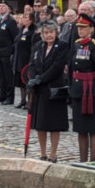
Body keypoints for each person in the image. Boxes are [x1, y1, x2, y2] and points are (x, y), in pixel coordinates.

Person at [67, 14, 95, 162]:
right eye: (79, 28)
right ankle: (82, 160)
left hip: (91, 90)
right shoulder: (76, 44)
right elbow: (71, 66)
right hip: (78, 90)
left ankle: (92, 161)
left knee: (92, 128)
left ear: (91, 29)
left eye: (84, 28)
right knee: (80, 128)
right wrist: (71, 87)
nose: (81, 31)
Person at [26, 21, 69, 162]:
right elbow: (32, 64)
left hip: (54, 88)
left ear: (56, 33)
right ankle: (43, 152)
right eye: (46, 32)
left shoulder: (62, 46)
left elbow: (57, 67)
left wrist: (41, 79)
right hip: (39, 90)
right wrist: (33, 79)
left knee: (54, 124)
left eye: (51, 32)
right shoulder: (38, 46)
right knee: (40, 124)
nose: (49, 35)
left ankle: (53, 153)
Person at [0, 2, 19, 105]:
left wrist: (11, 51)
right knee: (0, 76)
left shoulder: (10, 21)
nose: (1, 8)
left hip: (6, 53)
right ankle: (2, 95)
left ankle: (9, 97)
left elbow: (14, 37)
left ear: (8, 9)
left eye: (3, 6)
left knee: (8, 77)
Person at [13, 12, 37, 108]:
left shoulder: (33, 31)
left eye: (26, 17)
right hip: (19, 58)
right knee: (20, 81)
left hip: (27, 59)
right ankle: (22, 100)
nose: (23, 19)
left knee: (27, 80)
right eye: (23, 17)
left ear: (31, 20)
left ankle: (29, 101)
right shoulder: (22, 29)